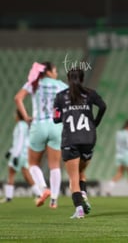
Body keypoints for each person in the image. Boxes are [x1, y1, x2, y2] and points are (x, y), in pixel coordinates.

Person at [53, 67, 106, 219]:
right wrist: (95, 121)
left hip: (70, 139)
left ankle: (79, 209)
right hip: (89, 138)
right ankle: (83, 196)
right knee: (81, 172)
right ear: (82, 79)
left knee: (73, 177)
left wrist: (66, 112)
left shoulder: (61, 96)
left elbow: (56, 118)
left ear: (68, 79)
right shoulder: (90, 93)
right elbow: (103, 106)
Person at [14, 62, 68, 208]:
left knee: (32, 163)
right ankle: (54, 201)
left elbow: (18, 98)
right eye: (55, 70)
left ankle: (44, 189)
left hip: (38, 125)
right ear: (49, 72)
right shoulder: (60, 85)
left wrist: (26, 117)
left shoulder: (33, 83)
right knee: (55, 165)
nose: (56, 73)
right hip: (56, 125)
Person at [1, 110, 43, 203]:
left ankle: (8, 197)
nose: (14, 116)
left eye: (15, 114)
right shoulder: (25, 125)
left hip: (19, 154)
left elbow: (19, 141)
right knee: (27, 175)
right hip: (25, 153)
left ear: (18, 115)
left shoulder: (20, 125)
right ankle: (39, 194)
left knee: (11, 172)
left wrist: (15, 155)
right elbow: (23, 141)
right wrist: (10, 151)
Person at [106, 120, 128, 196]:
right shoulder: (127, 133)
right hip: (127, 155)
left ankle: (109, 188)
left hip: (119, 156)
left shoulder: (118, 133)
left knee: (119, 173)